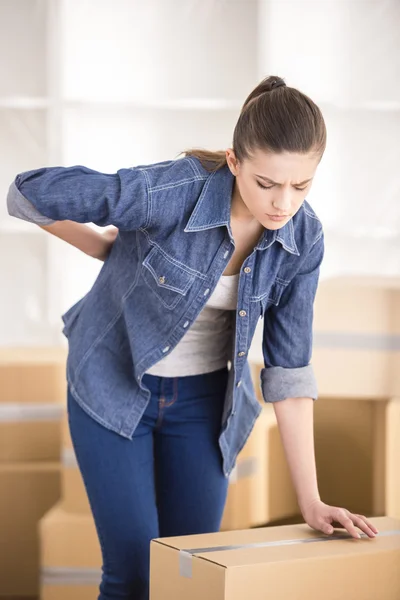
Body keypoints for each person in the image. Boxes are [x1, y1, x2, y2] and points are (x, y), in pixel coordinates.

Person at [7, 75, 378, 600]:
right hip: (113, 387)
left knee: (189, 575)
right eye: (266, 183)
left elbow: (289, 373)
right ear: (234, 162)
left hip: (203, 404)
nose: (282, 204)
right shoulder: (171, 192)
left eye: (301, 185)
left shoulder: (303, 239)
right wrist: (103, 246)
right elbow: (29, 192)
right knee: (134, 576)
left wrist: (312, 501)